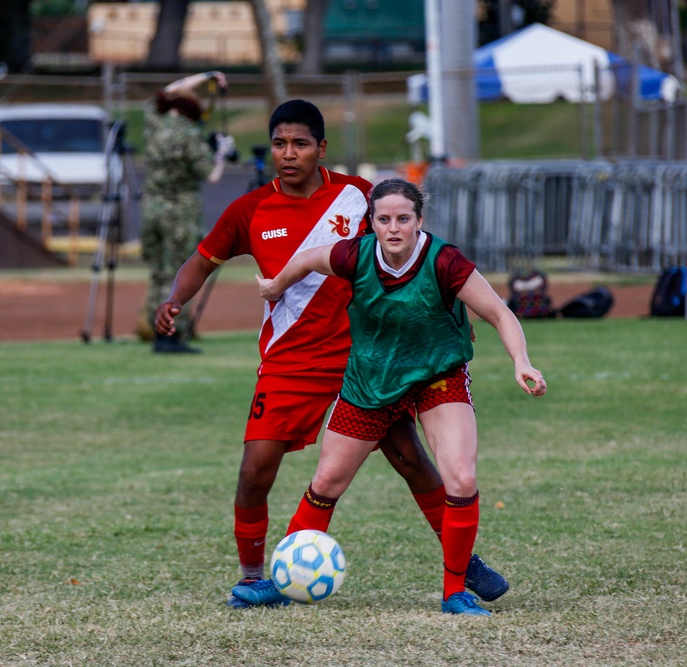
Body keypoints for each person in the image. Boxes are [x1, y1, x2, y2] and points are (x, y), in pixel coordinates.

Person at [155, 100, 510, 609]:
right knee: (256, 467)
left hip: (364, 359)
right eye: (279, 144)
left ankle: (464, 562)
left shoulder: (359, 197)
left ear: (321, 148)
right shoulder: (251, 209)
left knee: (412, 459)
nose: (288, 153)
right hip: (290, 361)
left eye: (300, 143)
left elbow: (406, 250)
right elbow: (202, 259)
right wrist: (174, 301)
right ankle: (257, 574)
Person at [247, 177, 548, 615]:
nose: (393, 228)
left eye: (403, 219)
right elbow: (309, 258)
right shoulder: (354, 254)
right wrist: (276, 286)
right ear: (370, 223)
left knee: (461, 477)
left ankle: (455, 592)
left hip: (436, 378)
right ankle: (285, 581)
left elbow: (500, 313)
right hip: (371, 380)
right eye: (383, 219)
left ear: (419, 221)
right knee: (327, 481)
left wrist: (521, 361)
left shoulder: (445, 262)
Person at [142, 71, 236, 353]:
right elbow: (212, 175)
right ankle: (171, 335)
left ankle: (155, 329)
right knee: (179, 273)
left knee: (158, 272)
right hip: (180, 211)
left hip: (151, 207)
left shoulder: (154, 124)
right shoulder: (189, 135)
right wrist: (221, 152)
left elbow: (168, 90)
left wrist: (205, 77)